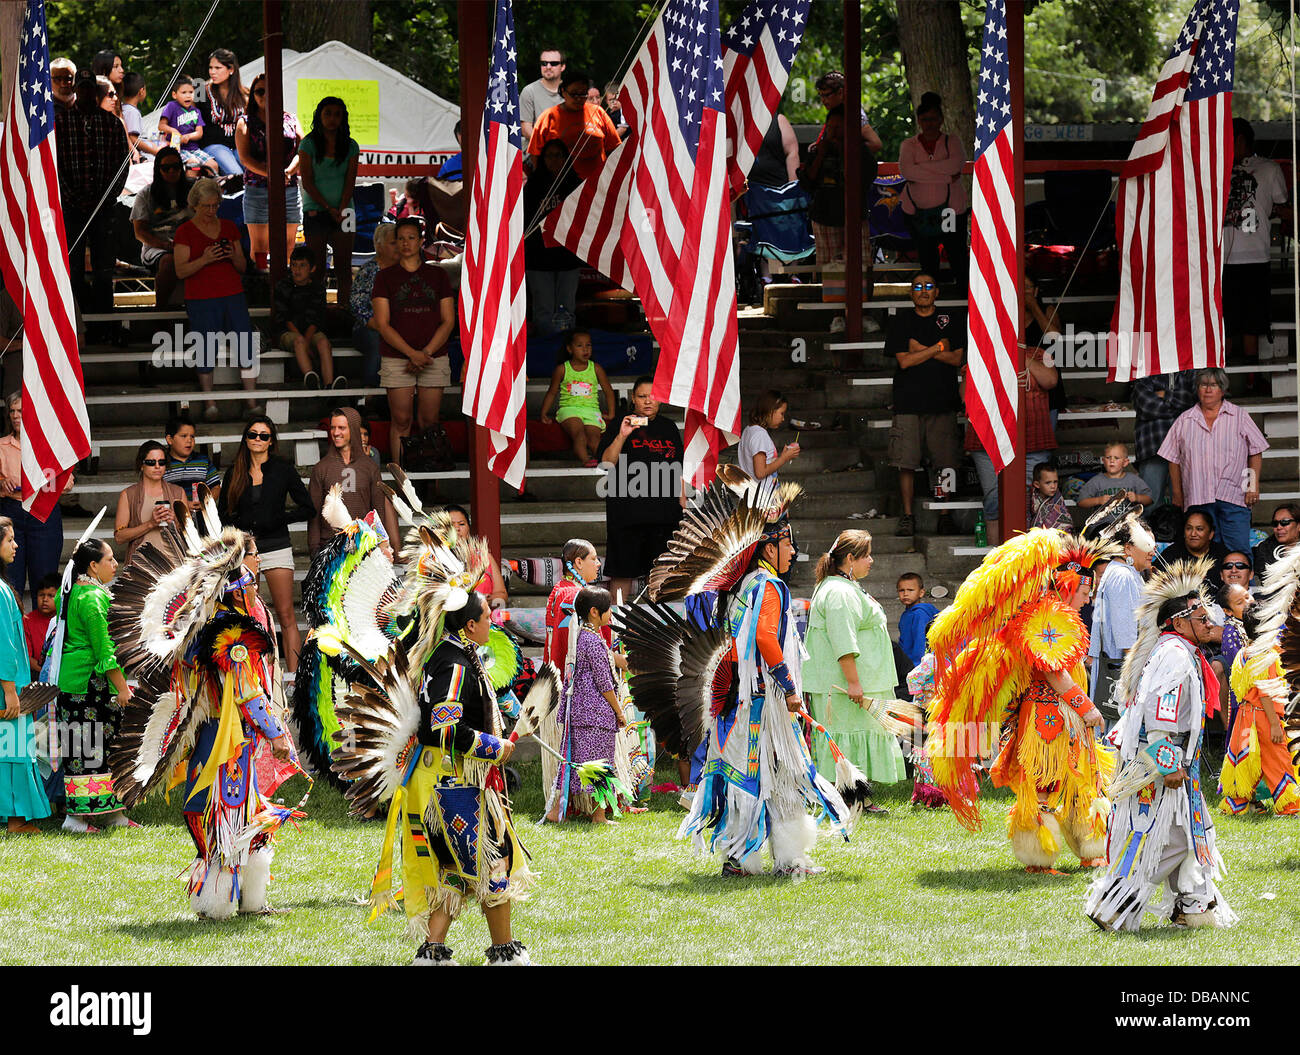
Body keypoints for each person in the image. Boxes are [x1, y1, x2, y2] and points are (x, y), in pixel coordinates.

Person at [109, 521, 301, 917]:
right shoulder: (230, 636)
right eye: (248, 584)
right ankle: (222, 902)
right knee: (229, 816)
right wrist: (277, 734)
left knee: (238, 814)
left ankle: (238, 899)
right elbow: (247, 692)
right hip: (227, 744)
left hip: (212, 734)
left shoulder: (201, 628)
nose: (252, 588)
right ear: (236, 590)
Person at [338, 579, 533, 965]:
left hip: (444, 779)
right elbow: (446, 730)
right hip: (452, 781)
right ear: (469, 625)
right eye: (487, 618)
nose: (492, 623)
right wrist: (496, 748)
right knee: (491, 861)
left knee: (454, 867)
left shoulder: (453, 655)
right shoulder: (454, 665)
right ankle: (504, 954)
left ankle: (432, 954)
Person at [927, 524, 1124, 872]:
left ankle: (1089, 850)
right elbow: (1052, 670)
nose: (1088, 596)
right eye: (1086, 589)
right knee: (1045, 783)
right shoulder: (1045, 617)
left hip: (1062, 714)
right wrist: (1087, 707)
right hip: (1046, 715)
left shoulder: (1057, 615)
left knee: (1079, 778)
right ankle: (1038, 855)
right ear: (1068, 584)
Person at [678, 514, 850, 876]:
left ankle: (740, 859)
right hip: (764, 700)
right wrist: (789, 687)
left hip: (739, 700)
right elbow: (765, 639)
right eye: (787, 544)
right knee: (785, 772)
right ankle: (787, 860)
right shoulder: (769, 586)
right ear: (769, 548)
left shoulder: (742, 587)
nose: (793, 551)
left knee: (745, 774)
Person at [1085, 576, 1236, 931]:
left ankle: (1194, 909)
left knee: (1191, 833)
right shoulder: (1174, 655)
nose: (1209, 624)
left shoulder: (1179, 651)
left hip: (1173, 758)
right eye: (1202, 619)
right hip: (1160, 760)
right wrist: (1167, 763)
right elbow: (1160, 713)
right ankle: (1114, 906)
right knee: (1159, 836)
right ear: (1179, 622)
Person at [803, 530, 906, 811]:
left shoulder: (844, 587)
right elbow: (843, 640)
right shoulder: (838, 592)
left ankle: (859, 799)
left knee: (856, 737)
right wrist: (854, 683)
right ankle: (847, 800)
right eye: (866, 555)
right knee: (846, 740)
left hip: (859, 681)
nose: (871, 561)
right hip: (844, 685)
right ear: (850, 558)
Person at [220, 416, 315, 671]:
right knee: (251, 613)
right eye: (253, 434)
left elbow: (308, 507)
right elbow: (223, 515)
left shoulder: (282, 469)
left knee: (285, 614)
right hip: (246, 549)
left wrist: (279, 518)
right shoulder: (235, 471)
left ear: (271, 441)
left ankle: (295, 677)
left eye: (264, 435)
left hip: (277, 544)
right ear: (246, 438)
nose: (258, 440)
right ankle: (257, 675)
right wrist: (241, 527)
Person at [49, 538, 132, 832]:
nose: (115, 564)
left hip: (75, 683)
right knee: (88, 750)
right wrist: (123, 688)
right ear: (93, 566)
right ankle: (75, 818)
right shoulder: (93, 599)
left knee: (90, 748)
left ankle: (111, 813)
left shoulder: (70, 592)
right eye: (110, 559)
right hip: (90, 683)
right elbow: (105, 651)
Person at [372, 216, 457, 466]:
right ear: (396, 243)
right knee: (400, 419)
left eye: (411, 238)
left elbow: (448, 320)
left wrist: (425, 353)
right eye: (401, 239)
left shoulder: (438, 275)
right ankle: (401, 478)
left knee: (430, 420)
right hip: (397, 356)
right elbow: (382, 324)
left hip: (434, 355)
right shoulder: (385, 278)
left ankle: (432, 478)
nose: (406, 243)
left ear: (421, 241)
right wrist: (412, 353)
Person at [174, 178, 261, 420]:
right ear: (195, 205)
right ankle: (209, 402)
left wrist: (233, 255)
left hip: (232, 293)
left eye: (215, 206)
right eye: (207, 206)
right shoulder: (185, 231)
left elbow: (243, 266)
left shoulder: (229, 227)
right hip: (201, 297)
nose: (211, 211)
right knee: (205, 348)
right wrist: (204, 259)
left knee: (245, 344)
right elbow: (180, 271)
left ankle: (251, 402)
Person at [801, 71, 881, 334]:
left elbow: (874, 151)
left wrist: (849, 154)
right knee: (832, 264)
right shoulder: (823, 143)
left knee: (862, 264)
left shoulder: (856, 121)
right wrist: (821, 152)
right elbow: (807, 181)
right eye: (821, 95)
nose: (824, 99)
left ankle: (863, 312)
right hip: (825, 212)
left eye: (829, 94)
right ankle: (838, 315)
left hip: (854, 212)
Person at [1158, 368, 1267, 555]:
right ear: (1197, 389)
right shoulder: (1185, 420)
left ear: (1222, 390)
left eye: (1213, 385)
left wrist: (1253, 485)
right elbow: (1173, 458)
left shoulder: (1239, 416)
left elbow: (1256, 451)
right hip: (1198, 497)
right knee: (1204, 553)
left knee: (1238, 550)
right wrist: (1177, 493)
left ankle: (1243, 585)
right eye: (1203, 385)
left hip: (1234, 495)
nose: (1208, 390)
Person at [886, 273, 963, 538]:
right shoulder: (901, 321)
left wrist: (920, 349)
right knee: (906, 463)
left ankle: (945, 515)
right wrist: (938, 348)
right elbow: (904, 362)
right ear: (911, 293)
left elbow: (956, 359)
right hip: (908, 402)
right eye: (918, 286)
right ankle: (907, 516)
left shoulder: (950, 318)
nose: (924, 290)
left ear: (937, 292)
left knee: (945, 463)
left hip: (943, 402)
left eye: (929, 285)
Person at [545, 586, 629, 824]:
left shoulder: (581, 637)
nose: (611, 613)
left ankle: (556, 812)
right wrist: (619, 711)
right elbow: (604, 684)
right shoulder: (593, 642)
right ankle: (598, 816)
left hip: (579, 712)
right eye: (608, 609)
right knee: (599, 764)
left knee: (572, 762)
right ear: (594, 612)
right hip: (595, 713)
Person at [55, 71, 129, 338]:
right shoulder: (60, 122)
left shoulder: (111, 123)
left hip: (104, 207)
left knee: (103, 269)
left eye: (90, 88)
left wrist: (108, 197)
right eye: (82, 87)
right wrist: (70, 196)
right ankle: (75, 325)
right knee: (72, 268)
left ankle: (104, 326)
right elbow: (54, 165)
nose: (86, 93)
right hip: (72, 206)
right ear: (76, 89)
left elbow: (123, 164)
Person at [597, 377, 685, 603]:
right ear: (633, 399)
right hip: (627, 514)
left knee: (661, 574)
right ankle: (614, 625)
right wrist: (623, 435)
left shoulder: (669, 427)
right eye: (642, 396)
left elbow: (678, 467)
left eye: (653, 396)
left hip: (664, 514)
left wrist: (682, 501)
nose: (648, 401)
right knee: (622, 573)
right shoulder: (621, 423)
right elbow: (606, 463)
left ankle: (658, 629)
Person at [1223, 119, 1291, 369]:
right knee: (1226, 318)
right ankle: (1225, 376)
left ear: (1239, 140)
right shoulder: (1217, 167)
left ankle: (1252, 374)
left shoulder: (1268, 168)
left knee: (1253, 318)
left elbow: (1280, 205)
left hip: (1255, 254)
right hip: (1224, 257)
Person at [1220, 606, 1300, 816]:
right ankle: (1289, 804)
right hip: (1265, 717)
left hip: (1246, 716)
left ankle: (1237, 804)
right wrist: (1274, 724)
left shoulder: (1244, 653)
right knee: (1278, 757)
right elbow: (1265, 692)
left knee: (1245, 759)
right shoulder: (1265, 654)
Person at [0, 517, 50, 834]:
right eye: (9, 540)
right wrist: (9, 690)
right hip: (7, 686)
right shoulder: (0, 592)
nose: (16, 545)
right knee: (13, 749)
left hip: (8, 683)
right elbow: (4, 645)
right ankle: (17, 820)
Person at [1087, 515, 1157, 721]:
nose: (1153, 551)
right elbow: (1127, 638)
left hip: (1116, 666)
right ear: (1127, 548)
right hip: (1120, 670)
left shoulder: (1123, 572)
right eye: (1147, 545)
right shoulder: (1123, 576)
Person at [0, 393, 65, 607]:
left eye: (21, 411)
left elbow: (68, 481)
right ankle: (13, 634)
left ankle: (45, 637)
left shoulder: (48, 444)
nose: (16, 416)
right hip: (10, 512)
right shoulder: (1, 445)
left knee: (44, 579)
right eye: (13, 411)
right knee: (10, 580)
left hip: (42, 510)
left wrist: (43, 481)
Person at [306, 407, 398, 556]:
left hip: (364, 548)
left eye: (341, 428)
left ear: (354, 429)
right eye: (333, 428)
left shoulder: (370, 468)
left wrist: (381, 548)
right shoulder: (321, 468)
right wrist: (314, 551)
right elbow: (314, 517)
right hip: (331, 550)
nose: (336, 433)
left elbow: (378, 514)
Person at [899, 92, 968, 288]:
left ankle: (964, 300)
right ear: (919, 121)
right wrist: (945, 177)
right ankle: (929, 300)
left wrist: (921, 170)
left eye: (933, 119)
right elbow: (907, 171)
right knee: (928, 260)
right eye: (925, 119)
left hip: (949, 211)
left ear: (941, 120)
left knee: (957, 256)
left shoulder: (952, 141)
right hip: (919, 212)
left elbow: (955, 166)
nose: (929, 123)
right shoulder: (908, 145)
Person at [298, 95, 360, 305]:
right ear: (319, 116)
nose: (332, 119)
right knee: (317, 269)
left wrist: (341, 208)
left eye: (337, 115)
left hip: (345, 211)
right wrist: (327, 208)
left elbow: (350, 181)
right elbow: (307, 182)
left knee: (344, 268)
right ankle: (317, 315)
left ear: (343, 118)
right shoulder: (308, 144)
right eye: (328, 114)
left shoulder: (351, 146)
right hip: (315, 210)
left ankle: (345, 313)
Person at [236, 73, 302, 268]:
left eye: (270, 90)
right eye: (259, 91)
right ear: (253, 95)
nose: (265, 95)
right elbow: (245, 158)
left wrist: (288, 172)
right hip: (257, 188)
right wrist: (272, 175)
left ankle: (285, 280)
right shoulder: (245, 122)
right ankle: (263, 284)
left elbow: (303, 149)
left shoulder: (290, 119)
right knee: (260, 248)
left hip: (288, 187)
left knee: (289, 243)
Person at [523, 138, 583, 336]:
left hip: (567, 257)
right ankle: (546, 354)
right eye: (549, 156)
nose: (554, 160)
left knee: (567, 309)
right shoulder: (532, 187)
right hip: (539, 259)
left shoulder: (575, 183)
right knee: (544, 309)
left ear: (566, 158)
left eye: (559, 155)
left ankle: (567, 353)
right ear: (542, 159)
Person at [526, 69, 621, 183]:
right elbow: (535, 154)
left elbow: (614, 147)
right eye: (574, 94)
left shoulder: (598, 112)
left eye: (583, 94)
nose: (579, 98)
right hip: (561, 186)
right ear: (563, 92)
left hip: (598, 183)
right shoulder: (548, 117)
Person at [539, 329, 615, 466]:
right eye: (579, 346)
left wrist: (611, 413)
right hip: (569, 410)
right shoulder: (562, 369)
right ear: (569, 349)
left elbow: (608, 391)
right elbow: (552, 392)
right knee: (579, 434)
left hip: (591, 411)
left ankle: (603, 461)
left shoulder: (596, 368)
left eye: (588, 345)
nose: (585, 349)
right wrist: (544, 413)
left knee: (594, 438)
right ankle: (586, 459)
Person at [130, 147, 192, 307]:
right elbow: (140, 232)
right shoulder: (145, 194)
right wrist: (166, 245)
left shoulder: (193, 189)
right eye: (166, 168)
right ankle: (161, 312)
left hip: (190, 244)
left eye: (176, 167)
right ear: (158, 170)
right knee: (169, 261)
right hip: (157, 248)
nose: (172, 171)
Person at [1132, 370, 1197, 508]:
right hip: (1154, 447)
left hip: (1185, 449)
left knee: (1185, 505)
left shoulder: (1189, 372)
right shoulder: (1145, 372)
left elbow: (1192, 402)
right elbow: (1146, 405)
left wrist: (1164, 395)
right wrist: (1178, 404)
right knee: (1149, 505)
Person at [114, 440, 186, 563]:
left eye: (161, 462)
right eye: (151, 462)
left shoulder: (178, 493)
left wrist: (174, 520)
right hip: (140, 566)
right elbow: (119, 537)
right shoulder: (128, 495)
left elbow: (189, 533)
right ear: (141, 465)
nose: (157, 466)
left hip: (173, 567)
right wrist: (151, 524)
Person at [274, 245, 336, 388]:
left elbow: (316, 317)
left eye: (302, 265)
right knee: (299, 341)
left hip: (310, 330)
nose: (297, 270)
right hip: (287, 332)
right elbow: (285, 318)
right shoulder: (283, 286)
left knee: (323, 342)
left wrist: (308, 340)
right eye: (294, 265)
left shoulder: (318, 288)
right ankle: (311, 380)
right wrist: (304, 342)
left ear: (312, 268)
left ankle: (329, 384)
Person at [349, 221, 396, 389]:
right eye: (392, 243)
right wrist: (380, 326)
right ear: (379, 246)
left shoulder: (404, 270)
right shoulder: (369, 271)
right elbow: (358, 305)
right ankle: (369, 394)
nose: (398, 246)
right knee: (377, 342)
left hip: (396, 326)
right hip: (369, 327)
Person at [445, 504, 507, 610]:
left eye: (461, 524)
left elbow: (502, 595)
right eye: (450, 525)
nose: (457, 529)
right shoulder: (433, 560)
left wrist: (489, 601)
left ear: (469, 529)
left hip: (483, 620)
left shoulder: (484, 557)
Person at [162, 415, 222, 524]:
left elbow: (216, 487)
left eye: (192, 436)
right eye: (184, 436)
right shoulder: (162, 463)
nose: (189, 440)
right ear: (170, 439)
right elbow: (156, 493)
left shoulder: (203, 460)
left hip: (202, 519)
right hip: (173, 520)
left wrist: (206, 501)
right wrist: (184, 504)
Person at [157, 76, 220, 177]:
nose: (188, 96)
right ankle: (190, 190)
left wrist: (188, 136)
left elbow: (199, 133)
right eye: (184, 93)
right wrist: (174, 131)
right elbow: (161, 126)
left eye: (191, 92)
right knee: (194, 165)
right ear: (174, 95)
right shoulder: (171, 106)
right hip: (177, 149)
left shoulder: (196, 111)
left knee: (213, 165)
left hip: (194, 149)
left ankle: (213, 189)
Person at [198, 48, 247, 176]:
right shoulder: (200, 90)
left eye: (217, 68)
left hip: (238, 145)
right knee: (237, 174)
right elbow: (188, 115)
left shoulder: (244, 94)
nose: (212, 72)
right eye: (210, 68)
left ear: (231, 69)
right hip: (213, 145)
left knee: (254, 172)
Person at [1158, 508, 1230, 592]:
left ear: (1211, 534)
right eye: (1189, 528)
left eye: (1199, 529)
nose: (1193, 534)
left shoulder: (1222, 554)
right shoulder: (1171, 554)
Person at [737, 389, 800, 482]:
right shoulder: (759, 435)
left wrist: (782, 456)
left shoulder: (749, 430)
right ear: (770, 411)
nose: (783, 419)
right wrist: (784, 458)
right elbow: (760, 473)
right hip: (761, 494)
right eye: (781, 413)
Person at [1077, 442, 1153, 510]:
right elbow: (1081, 502)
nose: (1112, 460)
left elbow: (1149, 499)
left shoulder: (1133, 479)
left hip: (1129, 523)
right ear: (1103, 461)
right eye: (1108, 458)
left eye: (1116, 458)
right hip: (1104, 524)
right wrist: (1098, 500)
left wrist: (1137, 497)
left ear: (1125, 462)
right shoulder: (1097, 481)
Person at [519, 46, 566, 144]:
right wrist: (547, 148)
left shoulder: (572, 93)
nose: (548, 67)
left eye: (553, 63)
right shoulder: (529, 91)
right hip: (536, 153)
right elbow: (525, 128)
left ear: (562, 67)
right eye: (544, 63)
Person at [895, 572, 938, 668]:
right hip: (909, 662)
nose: (905, 594)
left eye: (910, 590)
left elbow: (921, 644)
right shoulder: (907, 614)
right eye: (902, 590)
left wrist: (916, 667)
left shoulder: (920, 614)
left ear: (921, 593)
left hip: (920, 665)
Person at [24, 573, 58, 679]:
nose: (45, 599)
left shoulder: (66, 619)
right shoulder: (27, 620)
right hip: (37, 673)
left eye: (51, 596)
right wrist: (46, 672)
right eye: (41, 595)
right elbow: (27, 657)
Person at [1253, 503, 1299, 581]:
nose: (1279, 527)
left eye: (1285, 522)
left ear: (1299, 526)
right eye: (1275, 523)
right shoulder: (1264, 549)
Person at [120, 72, 155, 160]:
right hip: (141, 156)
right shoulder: (132, 112)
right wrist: (155, 151)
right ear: (141, 91)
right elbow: (133, 139)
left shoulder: (124, 108)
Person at [1029, 462, 1073, 531]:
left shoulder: (1058, 500)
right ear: (1037, 484)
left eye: (1055, 482)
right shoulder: (1028, 499)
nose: (1053, 486)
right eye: (1048, 483)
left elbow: (1066, 525)